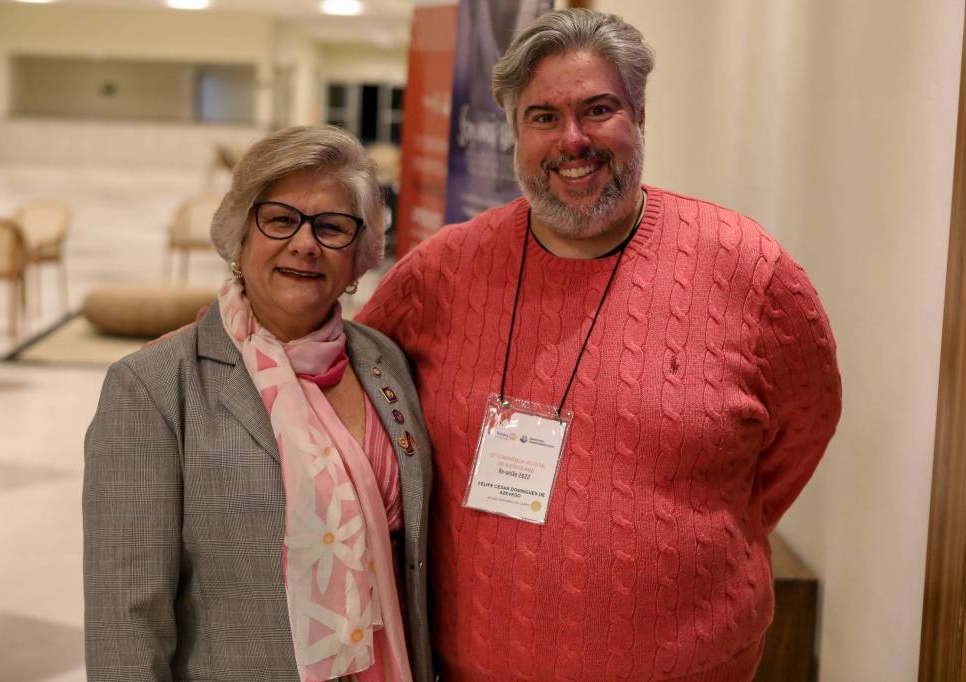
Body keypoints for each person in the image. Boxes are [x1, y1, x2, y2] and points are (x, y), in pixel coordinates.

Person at [356, 8, 841, 682]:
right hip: (473, 667)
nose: (573, 140)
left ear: (640, 115)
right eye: (543, 117)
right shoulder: (442, 271)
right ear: (514, 131)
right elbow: (355, 388)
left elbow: (806, 425)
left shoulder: (748, 269)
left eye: (598, 109)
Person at [84, 125, 433, 682]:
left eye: (332, 227)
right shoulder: (153, 388)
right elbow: (126, 625)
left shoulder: (384, 361)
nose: (305, 243)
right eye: (280, 219)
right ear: (240, 236)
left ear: (358, 257)